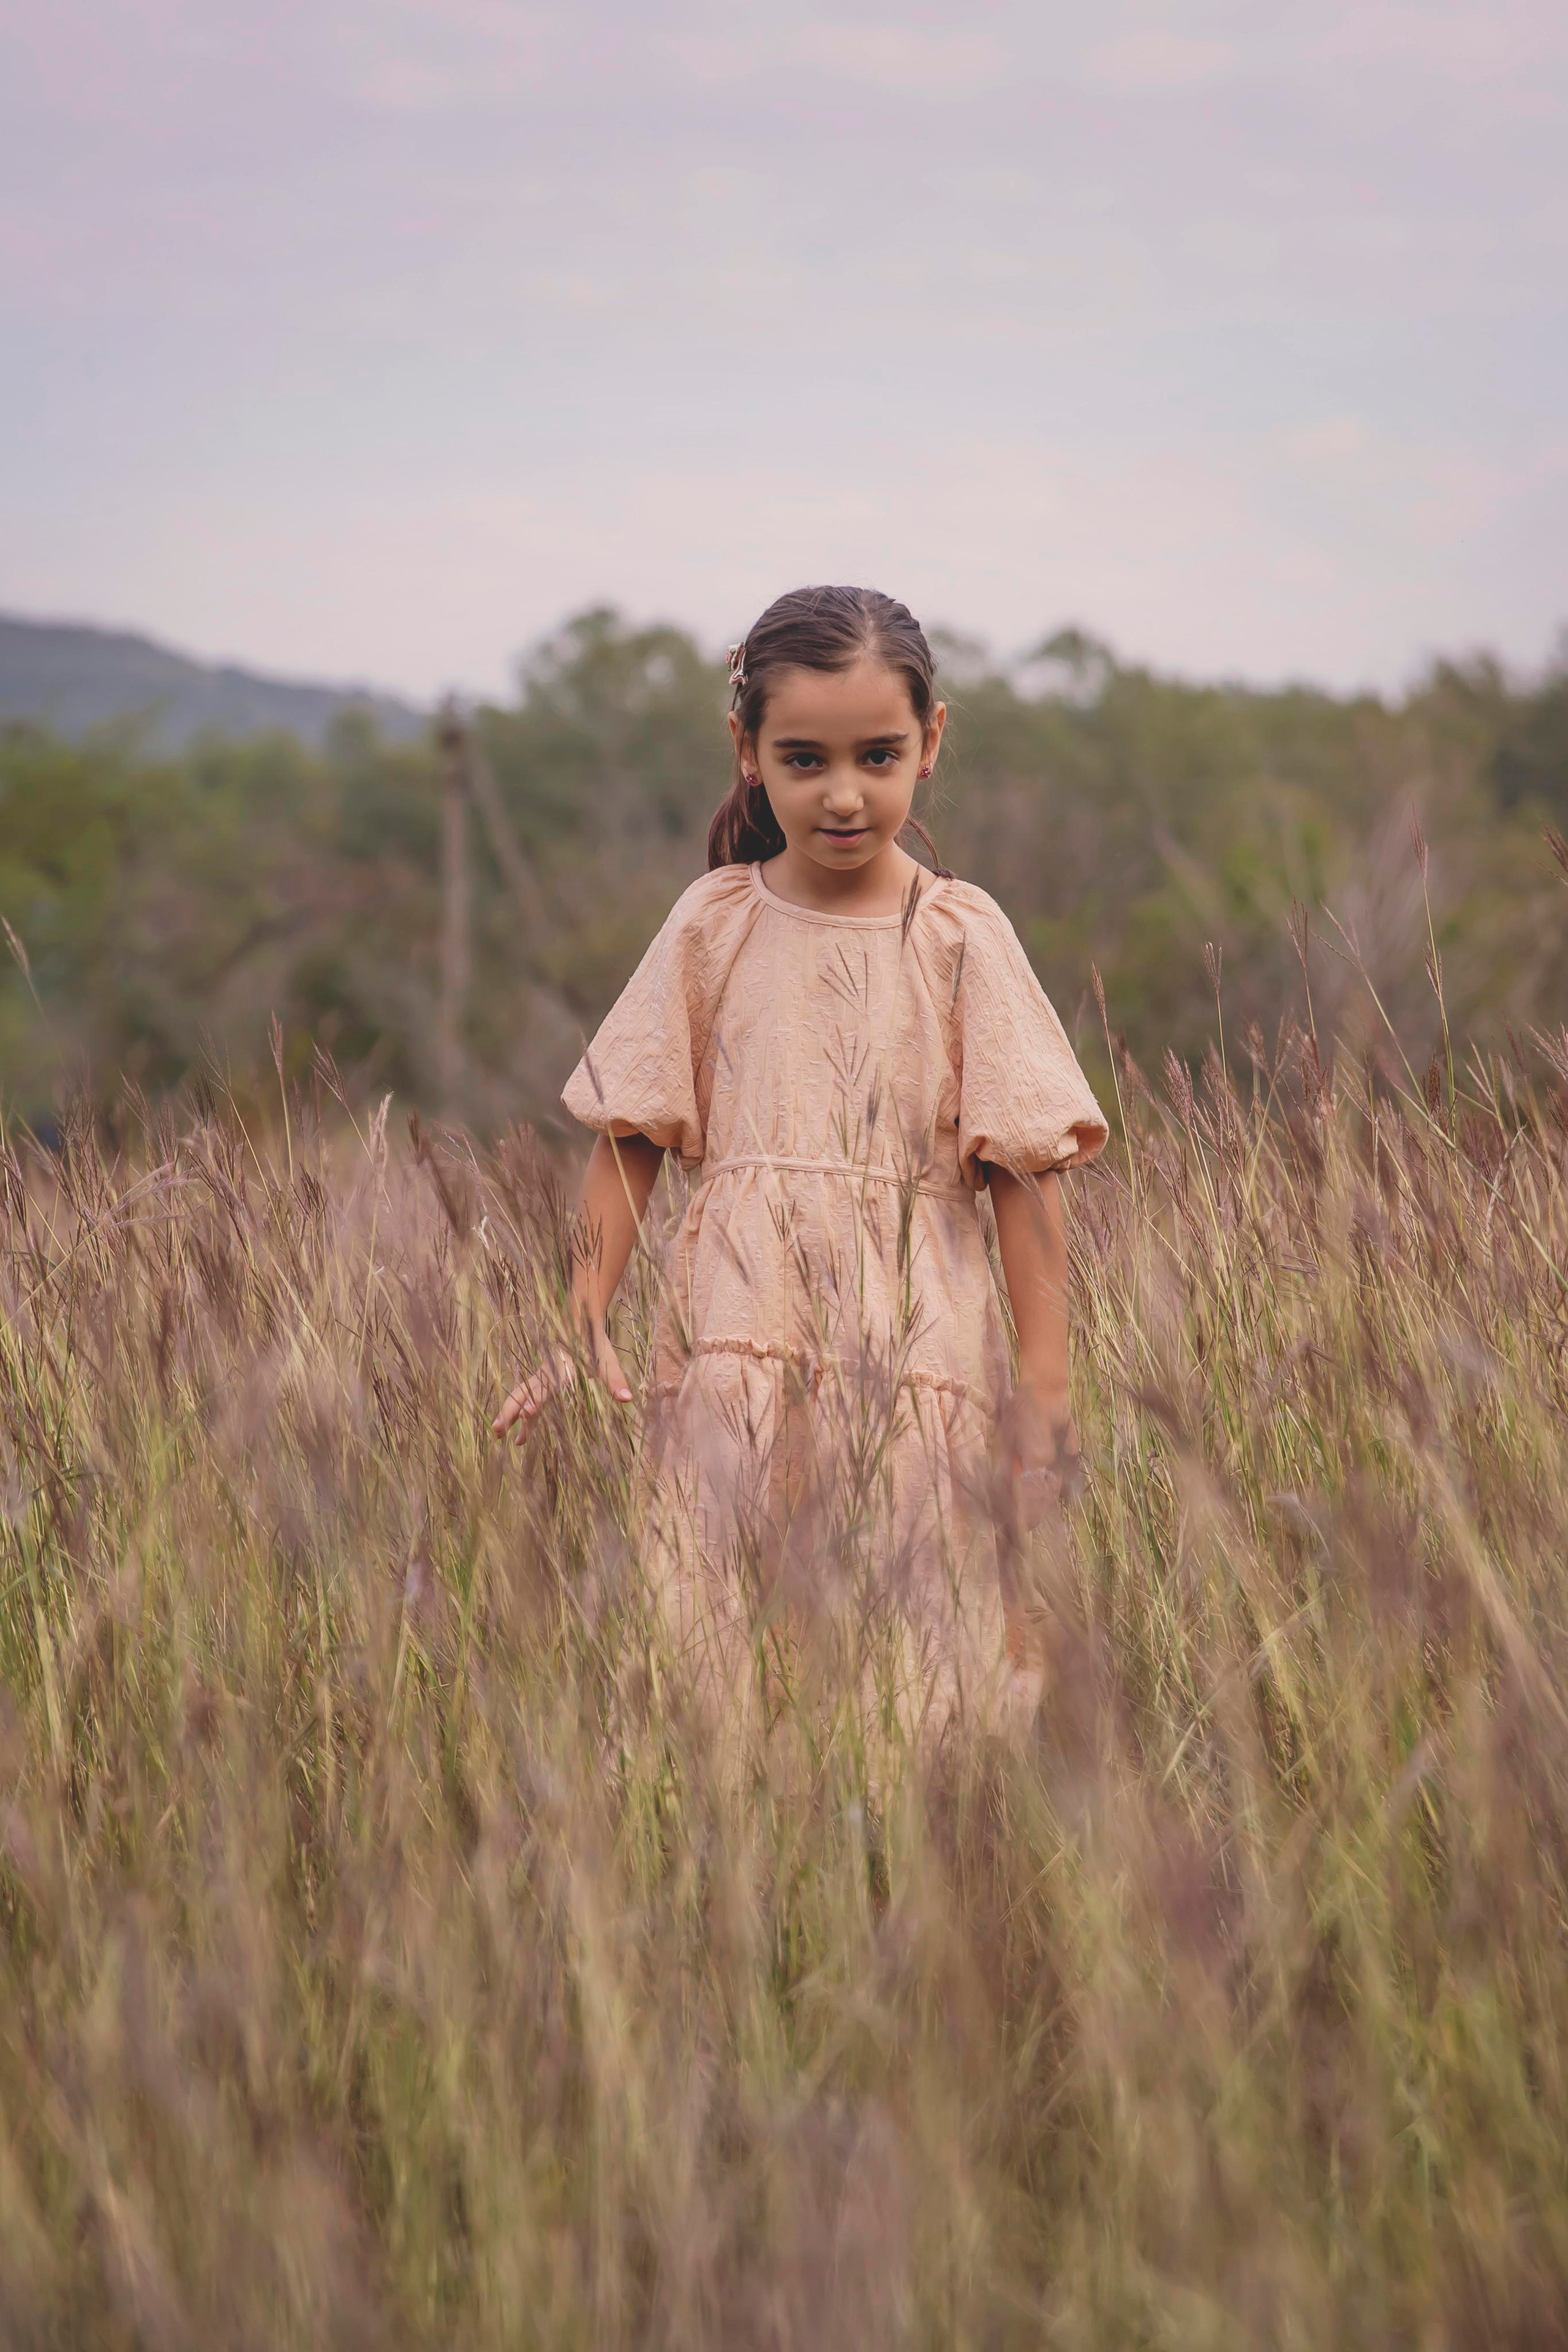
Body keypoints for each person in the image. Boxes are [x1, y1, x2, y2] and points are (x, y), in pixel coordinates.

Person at [494, 584, 1107, 1754]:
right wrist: (582, 1327)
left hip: (915, 1371)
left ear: (931, 745)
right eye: (804, 757)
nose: (842, 792)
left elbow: (1024, 1182)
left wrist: (1046, 1391)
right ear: (748, 753)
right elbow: (631, 1141)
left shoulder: (960, 935)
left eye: (878, 755)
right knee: (720, 1685)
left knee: (920, 1682)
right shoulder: (713, 924)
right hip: (733, 1363)